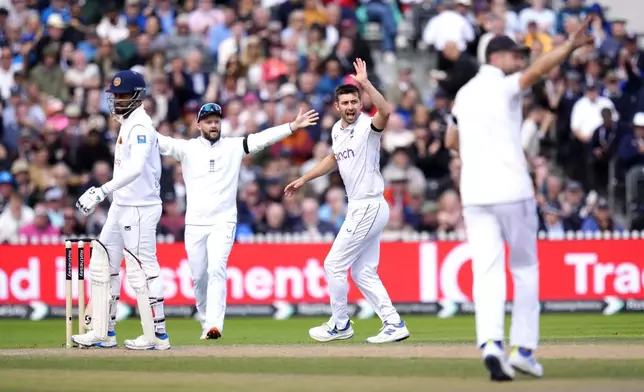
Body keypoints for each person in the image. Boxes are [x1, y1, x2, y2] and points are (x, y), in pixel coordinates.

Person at [444, 18, 593, 381]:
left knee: (487, 272)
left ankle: (491, 344)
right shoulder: (503, 85)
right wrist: (567, 48)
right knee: (525, 271)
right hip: (512, 191)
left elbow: (451, 141)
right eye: (515, 55)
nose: (520, 61)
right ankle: (523, 350)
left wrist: (477, 153)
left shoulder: (463, 94)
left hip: (475, 195)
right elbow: (536, 73)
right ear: (496, 57)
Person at [156, 102, 319, 340]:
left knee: (216, 269)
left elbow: (261, 139)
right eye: (209, 121)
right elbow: (160, 141)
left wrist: (292, 127)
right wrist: (131, 122)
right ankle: (205, 320)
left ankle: (214, 325)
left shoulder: (233, 146)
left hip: (224, 221)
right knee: (199, 277)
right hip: (195, 224)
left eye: (216, 121)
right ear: (199, 124)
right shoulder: (187, 148)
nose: (214, 125)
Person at [285, 59, 410, 344]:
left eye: (355, 101)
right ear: (337, 107)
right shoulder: (337, 131)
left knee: (334, 265)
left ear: (360, 103)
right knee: (363, 271)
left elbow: (386, 111)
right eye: (346, 103)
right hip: (361, 207)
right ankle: (393, 322)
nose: (351, 106)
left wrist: (365, 83)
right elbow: (332, 159)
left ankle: (340, 324)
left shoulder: (368, 127)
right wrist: (304, 179)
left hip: (369, 204)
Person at [72, 70, 170, 350]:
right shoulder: (127, 123)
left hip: (140, 207)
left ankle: (157, 336)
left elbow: (137, 168)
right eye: (114, 95)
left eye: (123, 95)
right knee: (103, 265)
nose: (117, 100)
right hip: (122, 205)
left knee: (143, 269)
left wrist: (101, 191)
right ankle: (104, 331)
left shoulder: (140, 126)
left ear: (137, 97)